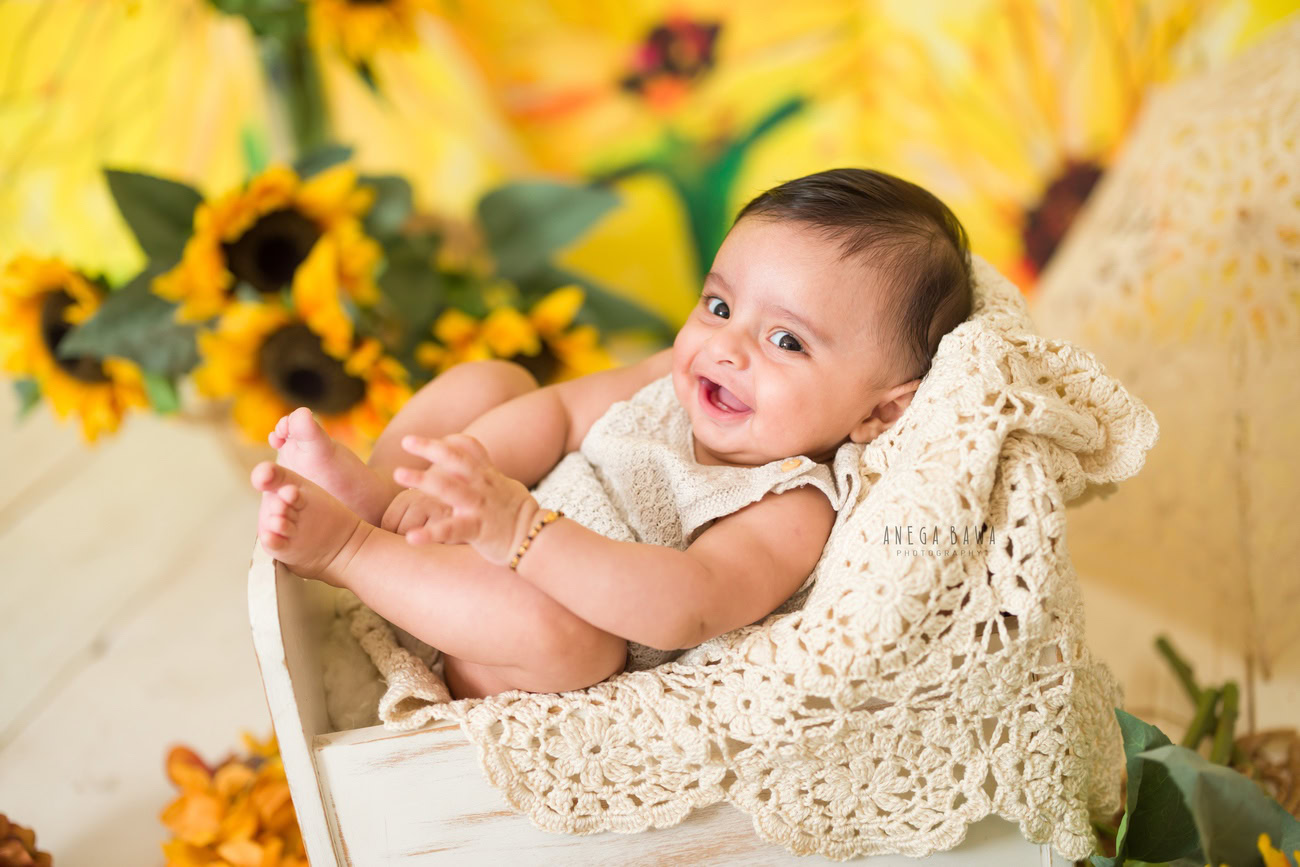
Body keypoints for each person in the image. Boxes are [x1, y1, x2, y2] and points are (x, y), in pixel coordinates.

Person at [250, 167, 974, 700]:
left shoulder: (791, 504)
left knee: (572, 642)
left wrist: (521, 532)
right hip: (486, 516)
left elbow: (687, 603)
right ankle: (389, 493)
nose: (725, 347)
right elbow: (562, 413)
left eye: (786, 341)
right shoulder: (674, 376)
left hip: (499, 633)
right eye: (720, 306)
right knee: (496, 382)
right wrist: (467, 475)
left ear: (880, 413)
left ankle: (348, 550)